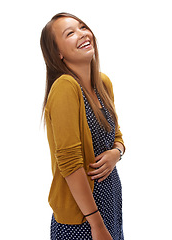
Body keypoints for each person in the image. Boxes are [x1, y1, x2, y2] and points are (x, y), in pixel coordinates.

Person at [40, 12, 126, 240]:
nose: (82, 34)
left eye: (82, 27)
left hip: (110, 202)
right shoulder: (65, 87)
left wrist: (117, 153)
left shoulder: (103, 83)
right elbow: (70, 163)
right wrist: (96, 225)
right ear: (58, 53)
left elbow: (116, 135)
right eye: (70, 33)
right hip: (83, 217)